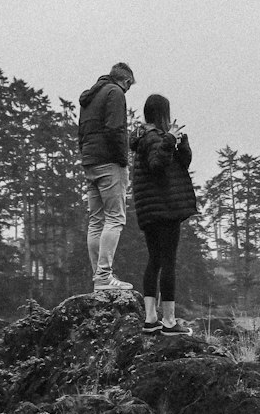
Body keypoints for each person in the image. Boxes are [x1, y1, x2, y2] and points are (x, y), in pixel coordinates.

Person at [130, 93, 197, 334]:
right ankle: (169, 321)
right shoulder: (152, 138)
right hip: (164, 208)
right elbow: (158, 164)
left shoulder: (148, 138)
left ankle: (150, 319)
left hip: (151, 210)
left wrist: (182, 143)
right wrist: (169, 138)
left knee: (155, 260)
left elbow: (179, 165)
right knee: (168, 262)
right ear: (162, 114)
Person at [77, 62, 136, 299]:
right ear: (126, 81)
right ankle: (104, 276)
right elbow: (115, 130)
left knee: (96, 221)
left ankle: (98, 277)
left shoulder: (90, 96)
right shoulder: (116, 93)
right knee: (115, 218)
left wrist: (86, 155)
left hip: (90, 162)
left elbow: (81, 132)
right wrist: (123, 160)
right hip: (110, 163)